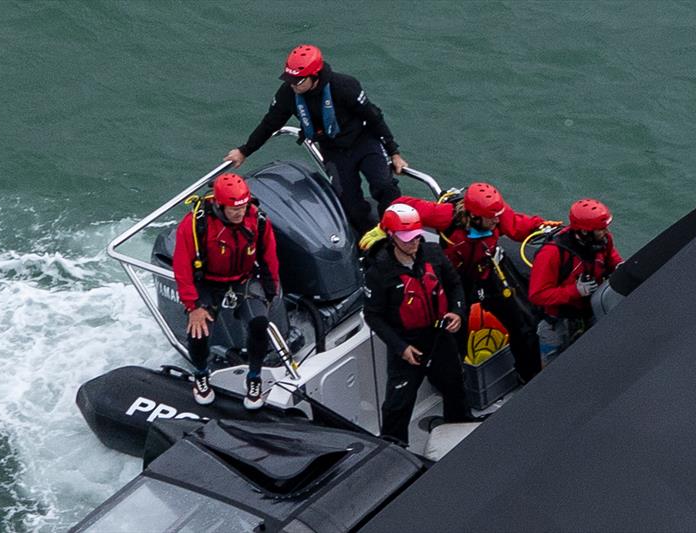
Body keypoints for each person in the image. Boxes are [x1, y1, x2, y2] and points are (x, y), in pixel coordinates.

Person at [224, 44, 407, 235]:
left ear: (315, 76)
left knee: (384, 186)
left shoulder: (345, 86)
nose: (293, 85)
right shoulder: (288, 93)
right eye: (290, 80)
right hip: (334, 151)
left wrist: (393, 152)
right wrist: (244, 151)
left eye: (299, 81)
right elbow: (270, 124)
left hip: (364, 142)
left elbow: (374, 117)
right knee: (350, 206)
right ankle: (371, 241)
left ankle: (396, 233)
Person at [391, 183, 562, 383]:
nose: (497, 220)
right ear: (474, 216)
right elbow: (401, 205)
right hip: (455, 280)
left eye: (498, 215)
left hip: (487, 272)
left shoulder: (497, 215)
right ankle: (453, 380)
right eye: (491, 217)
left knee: (523, 323)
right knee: (452, 333)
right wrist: (385, 227)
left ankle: (529, 375)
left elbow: (519, 225)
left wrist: (545, 227)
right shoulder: (445, 216)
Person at [173, 173, 280, 410]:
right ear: (219, 205)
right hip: (208, 282)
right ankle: (201, 375)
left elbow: (269, 256)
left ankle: (254, 377)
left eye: (243, 208)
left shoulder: (257, 220)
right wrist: (193, 306)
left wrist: (270, 293)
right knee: (198, 332)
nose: (240, 214)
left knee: (259, 322)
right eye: (234, 210)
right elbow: (182, 268)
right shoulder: (194, 225)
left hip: (243, 278)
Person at [363, 204, 468, 445]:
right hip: (407, 343)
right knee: (397, 404)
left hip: (440, 336)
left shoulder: (433, 254)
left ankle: (459, 433)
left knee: (455, 386)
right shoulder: (379, 273)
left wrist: (457, 312)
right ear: (391, 236)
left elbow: (454, 285)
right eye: (407, 238)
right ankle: (394, 448)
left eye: (416, 237)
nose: (413, 243)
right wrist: (400, 348)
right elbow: (373, 315)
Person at [529, 198, 623, 364]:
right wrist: (575, 291)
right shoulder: (551, 254)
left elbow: (612, 260)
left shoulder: (603, 240)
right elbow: (537, 295)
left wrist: (620, 267)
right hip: (556, 323)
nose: (606, 231)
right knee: (553, 369)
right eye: (601, 229)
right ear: (585, 232)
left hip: (590, 312)